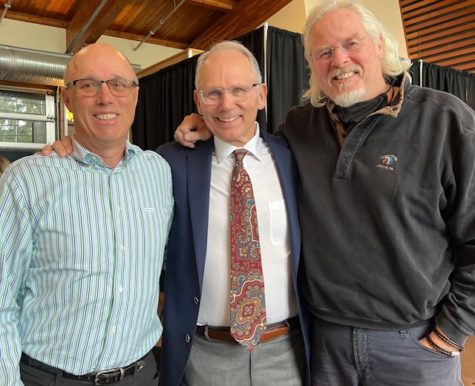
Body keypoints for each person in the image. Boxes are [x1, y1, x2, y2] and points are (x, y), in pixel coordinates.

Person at [174, 1, 475, 385]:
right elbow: (242, 137)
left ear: (380, 46)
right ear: (312, 64)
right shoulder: (300, 129)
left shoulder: (445, 120)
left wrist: (454, 328)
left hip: (413, 343)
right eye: (324, 52)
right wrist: (211, 124)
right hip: (325, 343)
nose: (340, 60)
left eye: (352, 44)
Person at [0, 43, 174, 386]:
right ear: (67, 100)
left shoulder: (160, 172)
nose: (105, 97)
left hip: (141, 375)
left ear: (136, 96)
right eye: (88, 85)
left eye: (118, 84)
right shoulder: (27, 180)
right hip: (49, 378)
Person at [157, 41, 310, 386]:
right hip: (205, 356)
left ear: (262, 95)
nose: (227, 105)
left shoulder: (295, 158)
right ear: (197, 101)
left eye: (239, 90)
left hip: (288, 352)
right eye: (213, 93)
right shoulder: (171, 162)